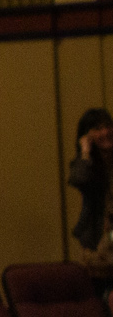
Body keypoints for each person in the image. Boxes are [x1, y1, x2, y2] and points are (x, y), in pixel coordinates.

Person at [72, 109, 113, 264]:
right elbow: (79, 179)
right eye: (98, 129)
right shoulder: (86, 163)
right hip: (97, 236)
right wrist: (85, 152)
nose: (105, 132)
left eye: (108, 126)